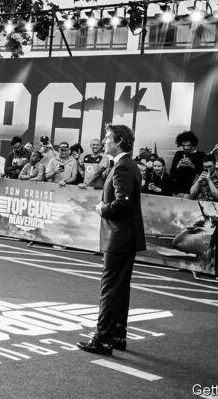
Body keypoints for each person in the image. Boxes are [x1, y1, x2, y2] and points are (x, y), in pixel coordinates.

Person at [78, 124, 145, 356]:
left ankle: (103, 339)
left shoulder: (123, 167)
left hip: (119, 237)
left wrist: (102, 208)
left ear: (119, 141)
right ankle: (117, 335)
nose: (104, 141)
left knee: (110, 289)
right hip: (125, 237)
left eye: (107, 138)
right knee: (120, 289)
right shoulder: (128, 165)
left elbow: (122, 202)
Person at [170, 130, 205, 197]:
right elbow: (172, 173)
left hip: (190, 191)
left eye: (188, 145)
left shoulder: (200, 155)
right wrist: (177, 166)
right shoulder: (178, 154)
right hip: (176, 190)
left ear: (193, 144)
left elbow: (202, 173)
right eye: (183, 145)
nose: (185, 148)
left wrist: (192, 165)